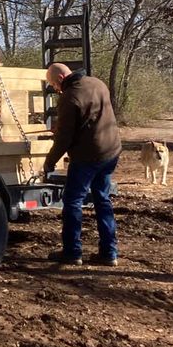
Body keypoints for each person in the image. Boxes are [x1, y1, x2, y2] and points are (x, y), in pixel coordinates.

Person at [42, 62, 121, 267]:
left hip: (88, 156)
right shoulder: (97, 83)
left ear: (60, 79)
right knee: (102, 199)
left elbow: (64, 139)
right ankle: (109, 253)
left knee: (73, 201)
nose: (56, 90)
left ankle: (72, 252)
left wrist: (49, 162)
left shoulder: (69, 97)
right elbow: (92, 117)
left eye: (54, 86)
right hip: (111, 150)